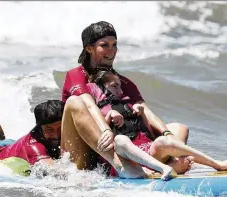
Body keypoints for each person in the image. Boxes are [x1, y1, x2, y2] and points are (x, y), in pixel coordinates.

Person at [61, 21, 193, 175]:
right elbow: (90, 106)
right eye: (104, 45)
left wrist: (169, 136)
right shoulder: (76, 74)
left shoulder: (122, 81)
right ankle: (120, 166)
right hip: (85, 151)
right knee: (74, 102)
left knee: (178, 128)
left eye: (114, 44)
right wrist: (105, 129)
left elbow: (148, 112)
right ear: (89, 48)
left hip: (120, 144)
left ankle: (157, 164)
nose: (112, 50)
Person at [86, 68, 227, 174]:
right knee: (134, 140)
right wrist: (108, 117)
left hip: (147, 148)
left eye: (120, 86)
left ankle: (170, 163)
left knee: (180, 128)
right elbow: (101, 139)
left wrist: (142, 114)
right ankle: (216, 164)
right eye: (114, 87)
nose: (120, 90)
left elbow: (146, 131)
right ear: (101, 89)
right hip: (129, 157)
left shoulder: (127, 104)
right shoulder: (98, 109)